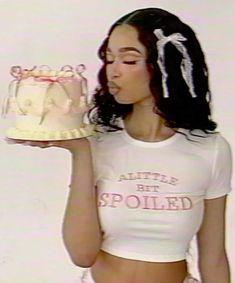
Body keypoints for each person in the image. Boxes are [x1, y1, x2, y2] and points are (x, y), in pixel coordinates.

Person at [8, 7, 232, 283]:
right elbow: (82, 254)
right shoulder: (99, 141)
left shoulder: (210, 149)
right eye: (109, 59)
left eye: (128, 60)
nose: (112, 72)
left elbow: (214, 258)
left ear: (165, 65)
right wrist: (80, 151)